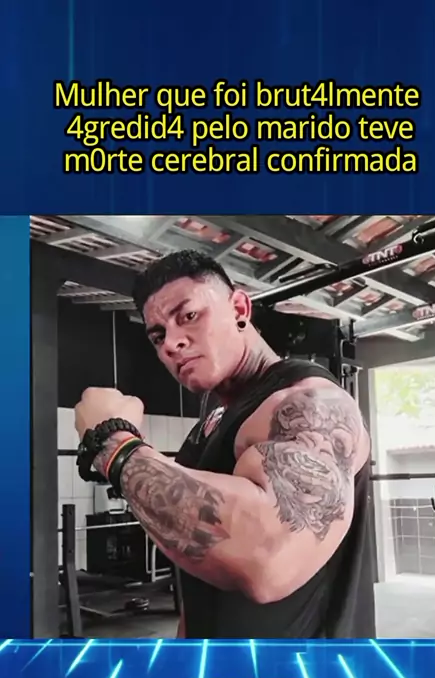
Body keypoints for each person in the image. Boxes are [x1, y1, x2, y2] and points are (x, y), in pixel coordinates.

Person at [74, 249, 375, 638]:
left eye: (189, 316)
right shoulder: (212, 424)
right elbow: (201, 572)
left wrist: (113, 443)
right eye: (158, 335)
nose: (171, 343)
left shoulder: (308, 402)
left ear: (239, 309)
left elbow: (270, 559)